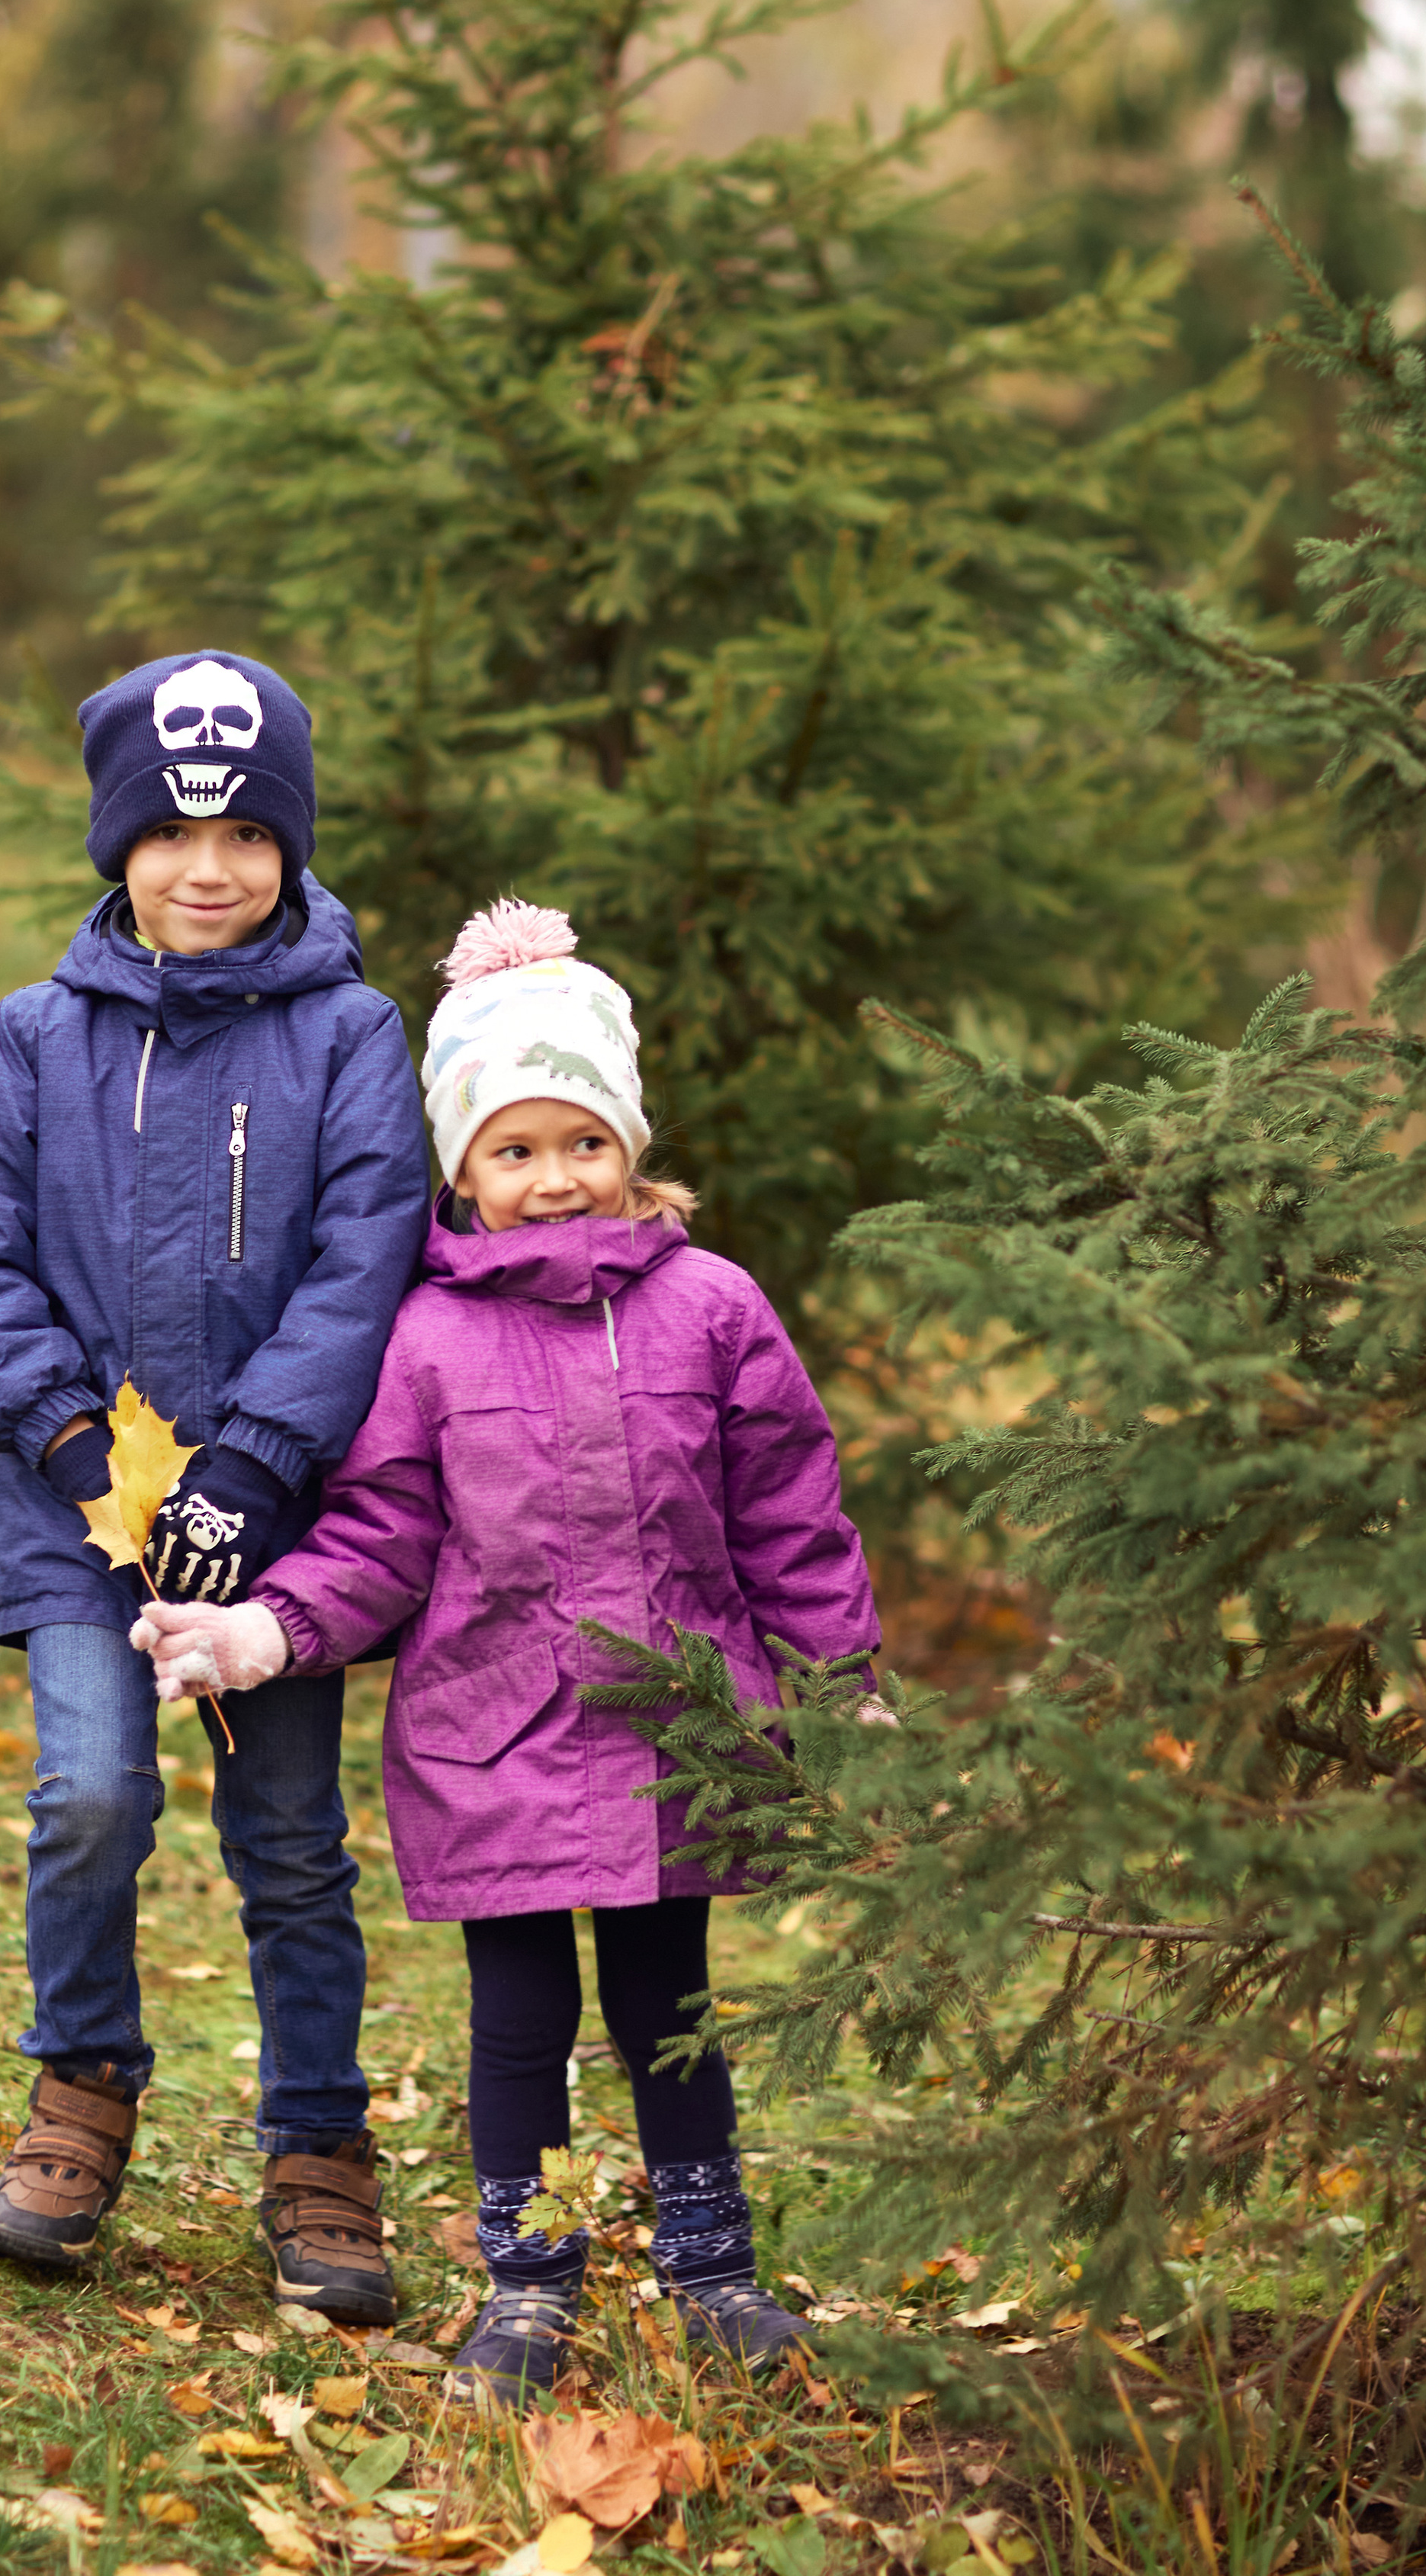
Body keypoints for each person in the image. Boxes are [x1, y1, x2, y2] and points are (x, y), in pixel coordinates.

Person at [135, 898, 883, 2403]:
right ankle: (530, 2280)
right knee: (523, 2023)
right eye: (515, 1149)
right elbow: (379, 1541)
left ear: (629, 1145)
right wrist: (258, 1627)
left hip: (682, 1734)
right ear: (464, 1172)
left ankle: (710, 2264)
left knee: (667, 2007)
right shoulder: (423, 1341)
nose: (555, 1178)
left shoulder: (712, 1310)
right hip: (496, 1741)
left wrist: (836, 1691)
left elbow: (791, 1518)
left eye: (583, 1142)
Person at [0, 649, 430, 2321]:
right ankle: (79, 2089)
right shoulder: (33, 1039)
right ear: (118, 843)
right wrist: (71, 1450)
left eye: (243, 834)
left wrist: (258, 1468)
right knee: (90, 1799)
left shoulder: (351, 1037)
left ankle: (315, 2149)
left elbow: (365, 1262)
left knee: (287, 1841)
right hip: (79, 1519)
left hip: (264, 1534)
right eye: (171, 830)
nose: (206, 866)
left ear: (288, 848)